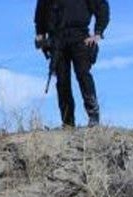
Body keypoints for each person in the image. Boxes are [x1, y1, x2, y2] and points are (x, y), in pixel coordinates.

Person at [35, 0, 110, 128]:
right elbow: (40, 14)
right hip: (56, 39)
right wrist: (40, 35)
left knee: (83, 75)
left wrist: (98, 33)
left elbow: (102, 7)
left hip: (79, 36)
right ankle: (68, 122)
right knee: (62, 81)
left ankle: (93, 118)